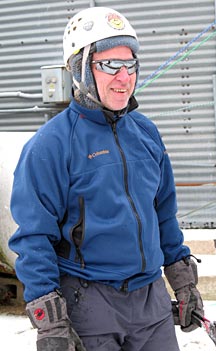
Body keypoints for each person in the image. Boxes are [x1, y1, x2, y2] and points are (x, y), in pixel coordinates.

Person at [8, 6, 204, 351]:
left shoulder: (146, 134)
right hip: (89, 303)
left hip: (151, 305)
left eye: (130, 64)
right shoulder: (50, 145)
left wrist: (183, 282)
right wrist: (50, 320)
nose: (124, 76)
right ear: (81, 70)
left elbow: (163, 215)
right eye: (110, 65)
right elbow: (33, 239)